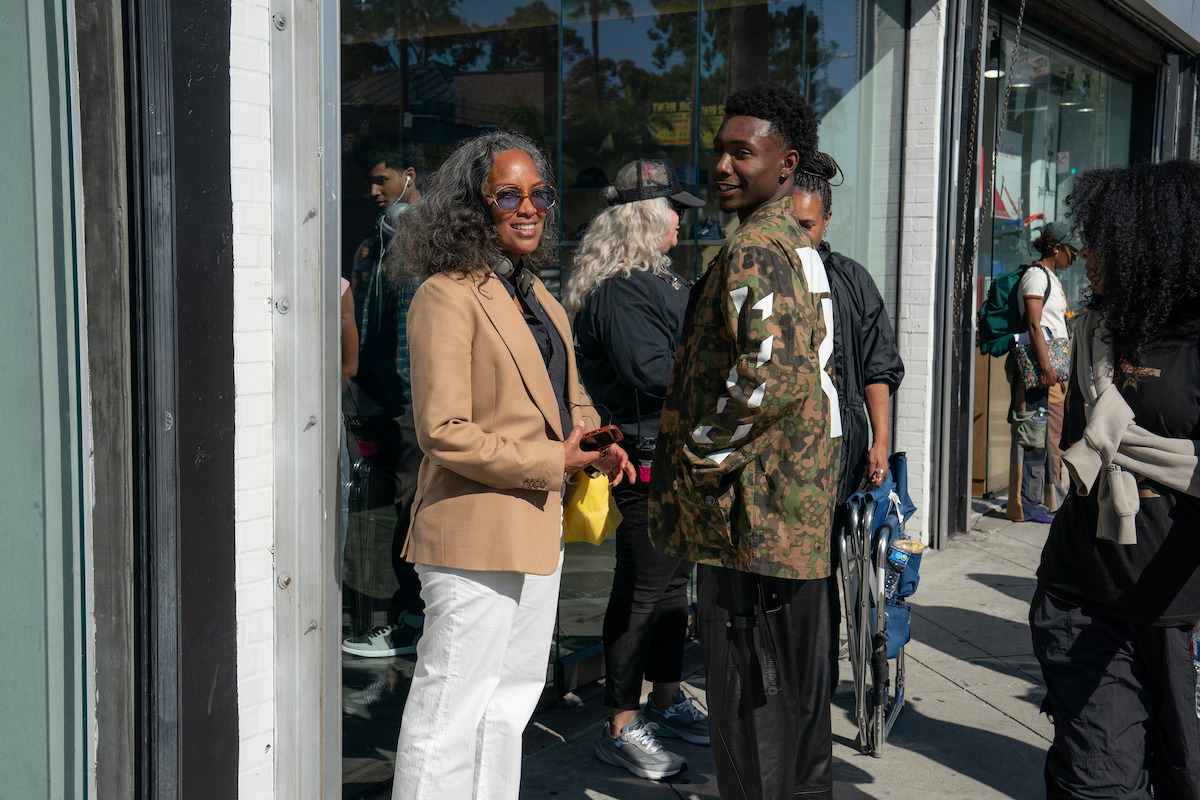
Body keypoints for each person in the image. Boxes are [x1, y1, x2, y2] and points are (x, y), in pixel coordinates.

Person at [390, 130, 634, 799]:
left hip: (535, 530)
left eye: (539, 193)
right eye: (508, 194)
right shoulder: (446, 294)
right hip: (471, 536)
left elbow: (565, 396)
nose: (529, 207)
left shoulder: (536, 295)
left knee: (508, 705)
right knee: (448, 712)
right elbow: (443, 431)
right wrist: (550, 459)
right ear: (474, 204)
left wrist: (592, 443)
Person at [648, 81, 840, 800]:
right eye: (719, 150)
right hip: (785, 520)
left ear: (786, 164)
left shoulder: (755, 251)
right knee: (792, 706)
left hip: (751, 526)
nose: (724, 166)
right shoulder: (790, 244)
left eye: (742, 153)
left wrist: (701, 452)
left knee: (750, 706)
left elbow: (771, 376)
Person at [1029, 160, 1200, 799]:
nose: (1088, 255)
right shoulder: (1094, 335)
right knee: (1096, 782)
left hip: (1181, 613)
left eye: (1106, 241)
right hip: (1083, 599)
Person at [564, 157, 708, 780]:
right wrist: (722, 371)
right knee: (644, 590)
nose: (682, 219)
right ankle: (621, 723)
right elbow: (650, 372)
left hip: (677, 455)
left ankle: (668, 698)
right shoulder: (623, 287)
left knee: (673, 589)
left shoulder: (659, 281)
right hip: (644, 461)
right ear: (650, 218)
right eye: (674, 208)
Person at [792, 151, 904, 688]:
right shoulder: (767, 275)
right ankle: (801, 679)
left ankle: (822, 681)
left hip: (843, 452)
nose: (800, 236)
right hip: (785, 457)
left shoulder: (850, 280)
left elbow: (878, 366)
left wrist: (881, 442)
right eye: (790, 225)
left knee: (836, 567)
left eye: (808, 226)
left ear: (828, 220)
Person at [342, 148, 427, 662]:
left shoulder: (430, 242)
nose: (374, 190)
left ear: (409, 177)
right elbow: (362, 323)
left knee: (409, 509)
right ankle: (401, 615)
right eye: (370, 182)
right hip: (376, 398)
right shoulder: (370, 246)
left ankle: (409, 618)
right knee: (383, 512)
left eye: (383, 178)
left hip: (415, 402)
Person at [1007, 220, 1078, 524]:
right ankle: (1025, 504)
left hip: (1051, 375)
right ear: (1057, 248)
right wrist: (1047, 369)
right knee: (1031, 436)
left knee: (1050, 438)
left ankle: (1045, 499)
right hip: (1038, 373)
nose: (1074, 258)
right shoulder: (1036, 276)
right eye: (1071, 251)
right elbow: (1034, 325)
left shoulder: (1050, 277)